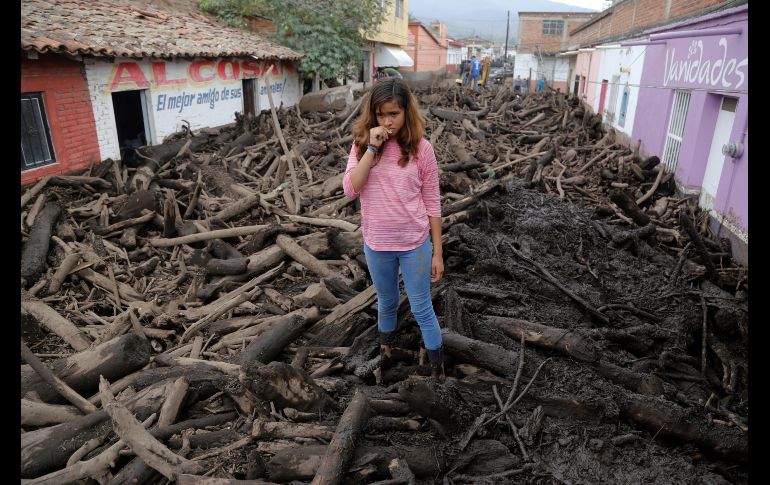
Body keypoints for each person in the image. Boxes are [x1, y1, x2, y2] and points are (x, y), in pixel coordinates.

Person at [342, 77, 445, 380]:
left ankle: (438, 371)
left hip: (414, 243)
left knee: (421, 306)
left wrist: (437, 252)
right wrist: (372, 149)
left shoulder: (421, 149)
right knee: (386, 303)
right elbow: (351, 189)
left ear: (406, 112)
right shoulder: (362, 146)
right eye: (381, 114)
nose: (387, 122)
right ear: (372, 113)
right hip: (377, 244)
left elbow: (433, 203)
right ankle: (386, 357)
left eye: (394, 114)